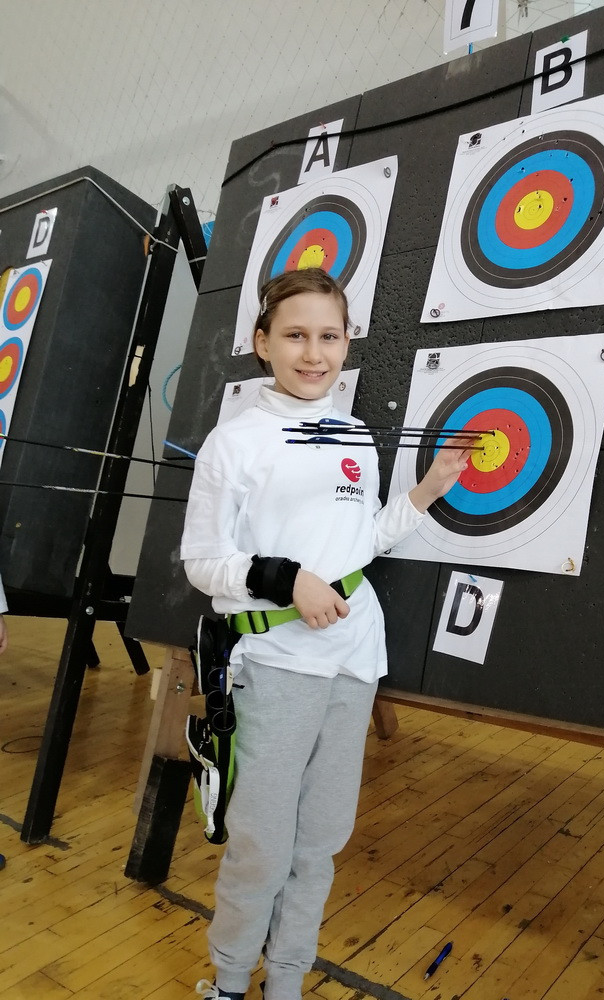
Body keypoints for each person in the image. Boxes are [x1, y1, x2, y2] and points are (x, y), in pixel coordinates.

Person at [181, 267, 473, 1000]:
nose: (314, 354)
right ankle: (228, 981)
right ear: (262, 343)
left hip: (353, 660)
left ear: (347, 343)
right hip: (275, 662)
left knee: (319, 842)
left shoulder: (354, 433)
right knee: (261, 841)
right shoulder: (233, 443)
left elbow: (360, 540)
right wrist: (286, 579)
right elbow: (203, 561)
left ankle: (285, 980)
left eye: (329, 337)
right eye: (295, 336)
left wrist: (428, 490)